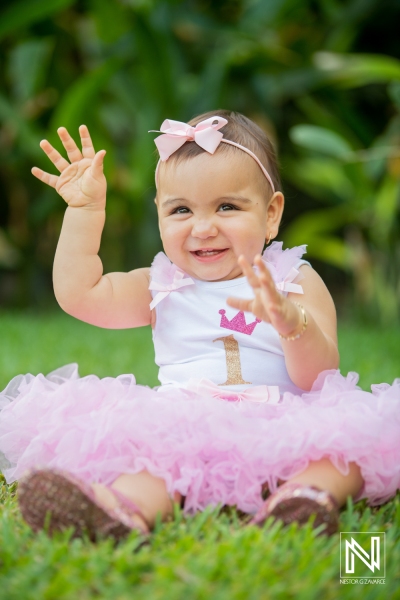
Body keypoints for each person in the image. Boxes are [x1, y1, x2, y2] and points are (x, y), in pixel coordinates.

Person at [0, 111, 399, 541]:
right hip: (184, 427)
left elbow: (319, 377)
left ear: (271, 214)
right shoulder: (161, 284)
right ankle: (119, 511)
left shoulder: (291, 279)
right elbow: (81, 295)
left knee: (344, 451)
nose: (203, 228)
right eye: (181, 210)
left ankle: (303, 499)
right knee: (153, 463)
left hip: (282, 425)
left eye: (227, 206)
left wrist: (292, 324)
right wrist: (85, 210)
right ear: (159, 215)